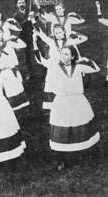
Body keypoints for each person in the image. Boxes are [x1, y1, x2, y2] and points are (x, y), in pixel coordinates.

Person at [33, 41, 100, 170]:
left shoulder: (79, 67)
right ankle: (61, 159)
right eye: (62, 54)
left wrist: (86, 59)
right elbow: (51, 86)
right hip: (62, 101)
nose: (63, 56)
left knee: (77, 126)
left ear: (73, 56)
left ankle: (76, 156)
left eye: (67, 54)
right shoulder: (55, 68)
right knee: (62, 129)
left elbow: (96, 69)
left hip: (77, 100)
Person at [33, 23, 87, 111]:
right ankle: (50, 106)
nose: (58, 35)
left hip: (65, 67)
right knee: (50, 83)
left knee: (64, 84)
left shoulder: (69, 41)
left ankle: (66, 104)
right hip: (53, 65)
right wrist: (34, 23)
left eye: (60, 33)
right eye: (56, 33)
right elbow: (42, 35)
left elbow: (76, 52)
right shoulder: (51, 42)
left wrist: (74, 34)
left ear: (64, 32)